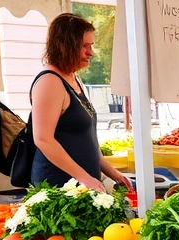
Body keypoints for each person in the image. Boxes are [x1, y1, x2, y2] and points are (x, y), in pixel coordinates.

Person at [30, 14, 132, 191]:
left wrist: (112, 173)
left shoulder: (73, 79)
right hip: (59, 187)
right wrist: (84, 177)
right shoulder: (49, 82)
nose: (90, 52)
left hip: (82, 185)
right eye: (84, 46)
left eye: (91, 46)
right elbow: (43, 139)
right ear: (65, 46)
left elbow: (87, 140)